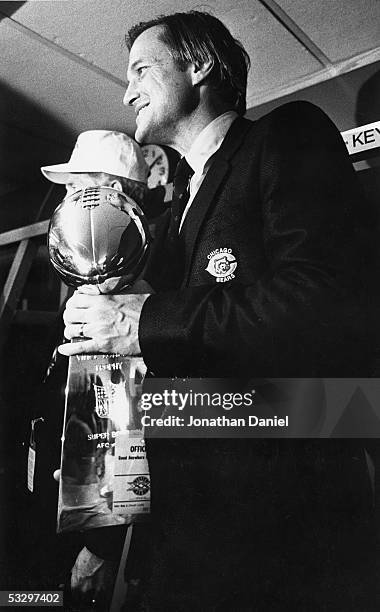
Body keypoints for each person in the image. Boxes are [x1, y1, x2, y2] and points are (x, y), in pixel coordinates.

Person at [58, 11, 375, 610]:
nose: (126, 91)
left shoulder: (286, 135)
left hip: (286, 541)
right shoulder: (179, 208)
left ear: (199, 66)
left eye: (142, 70)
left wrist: (140, 323)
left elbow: (327, 308)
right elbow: (190, 387)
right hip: (189, 538)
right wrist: (110, 487)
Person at [40, 129, 150, 608]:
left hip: (93, 526)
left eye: (77, 187)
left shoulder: (126, 307)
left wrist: (99, 548)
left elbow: (121, 432)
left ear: (115, 194)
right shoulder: (93, 289)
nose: (68, 201)